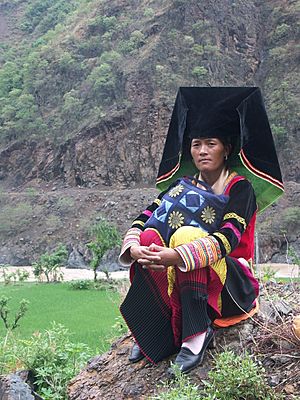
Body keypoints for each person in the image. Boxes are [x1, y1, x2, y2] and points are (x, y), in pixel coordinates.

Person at [118, 87, 284, 374]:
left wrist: (176, 256)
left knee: (184, 236)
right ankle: (157, 328)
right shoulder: (181, 185)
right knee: (149, 238)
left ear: (226, 149)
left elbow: (227, 240)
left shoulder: (239, 188)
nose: (203, 151)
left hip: (231, 282)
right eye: (196, 144)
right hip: (184, 272)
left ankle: (195, 336)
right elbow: (144, 218)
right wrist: (134, 247)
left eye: (211, 143)